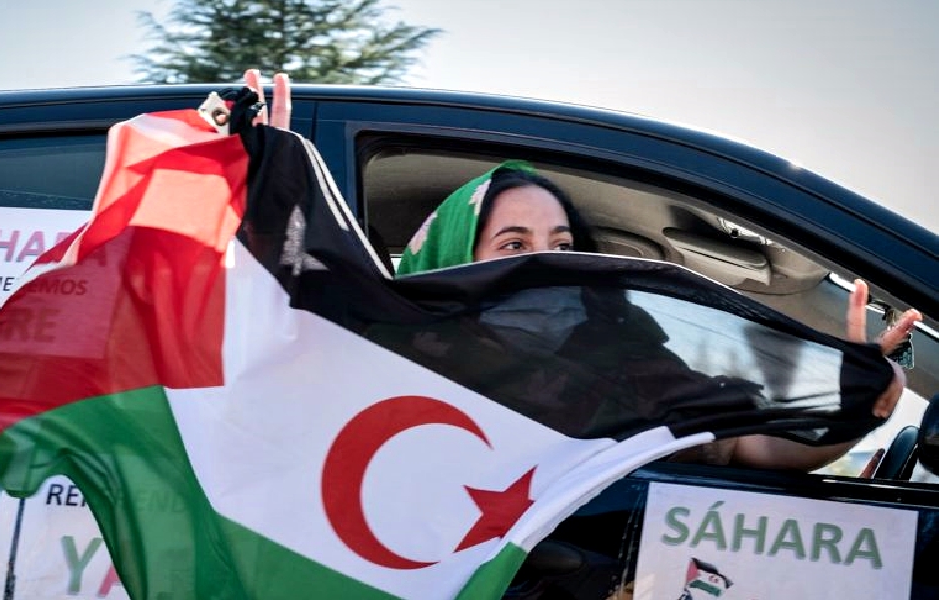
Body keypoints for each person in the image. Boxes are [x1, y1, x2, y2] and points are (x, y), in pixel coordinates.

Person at [241, 70, 921, 470]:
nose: (546, 262)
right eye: (512, 245)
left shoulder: (625, 364)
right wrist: (270, 202)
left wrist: (855, 402)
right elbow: (274, 353)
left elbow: (747, 450)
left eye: (561, 242)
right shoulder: (385, 362)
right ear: (453, 262)